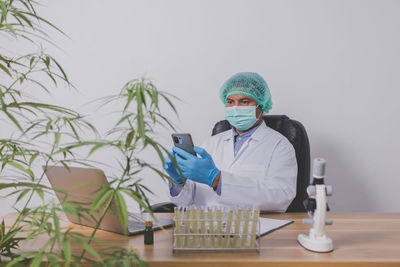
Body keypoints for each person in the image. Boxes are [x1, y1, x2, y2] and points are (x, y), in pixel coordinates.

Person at [164, 72, 297, 212]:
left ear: (261, 105)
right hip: (205, 225)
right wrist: (178, 182)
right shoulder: (210, 143)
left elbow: (281, 197)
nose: (236, 107)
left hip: (252, 227)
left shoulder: (279, 146)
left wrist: (217, 180)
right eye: (230, 102)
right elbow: (187, 201)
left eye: (245, 101)